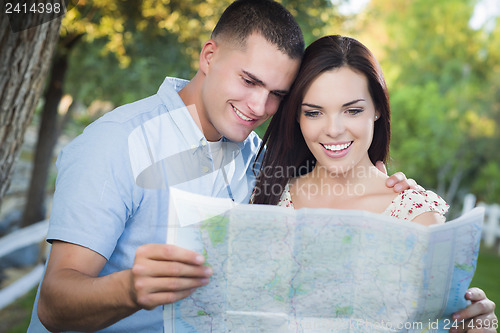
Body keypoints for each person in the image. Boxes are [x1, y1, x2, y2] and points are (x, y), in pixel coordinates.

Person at [28, 1, 418, 332]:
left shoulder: (259, 157)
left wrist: (380, 192)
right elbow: (53, 303)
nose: (258, 107)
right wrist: (130, 288)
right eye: (249, 81)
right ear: (209, 56)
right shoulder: (117, 143)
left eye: (276, 95)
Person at [252, 35, 497, 332]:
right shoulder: (267, 197)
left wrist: (474, 327)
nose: (333, 130)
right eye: (314, 112)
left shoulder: (416, 217)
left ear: (377, 109)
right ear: (297, 117)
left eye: (352, 110)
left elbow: (438, 323)